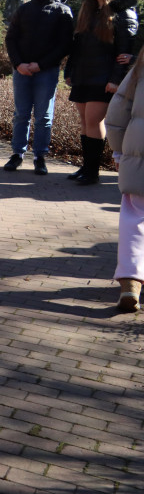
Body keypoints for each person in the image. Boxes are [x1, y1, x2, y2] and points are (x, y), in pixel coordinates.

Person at [64, 0, 138, 185]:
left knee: (94, 121)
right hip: (84, 75)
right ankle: (86, 167)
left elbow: (124, 51)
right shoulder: (89, 8)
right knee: (85, 122)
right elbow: (79, 45)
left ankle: (92, 172)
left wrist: (115, 80)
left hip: (104, 77)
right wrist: (70, 72)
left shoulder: (122, 13)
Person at [2, 0, 74, 175]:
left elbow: (65, 45)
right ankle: (17, 154)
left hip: (47, 71)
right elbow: (11, 38)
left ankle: (40, 156)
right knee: (21, 114)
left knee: (44, 116)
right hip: (22, 70)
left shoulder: (62, 12)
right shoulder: (23, 9)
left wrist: (40, 65)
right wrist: (18, 64)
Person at [104, 49, 143, 311]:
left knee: (135, 216)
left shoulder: (141, 67)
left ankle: (130, 280)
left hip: (138, 151)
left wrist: (118, 150)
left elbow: (118, 110)